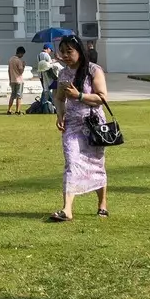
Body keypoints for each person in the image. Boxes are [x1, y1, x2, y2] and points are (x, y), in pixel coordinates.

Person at [49, 33, 110, 222]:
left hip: (93, 124)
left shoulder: (93, 70)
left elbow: (102, 97)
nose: (66, 55)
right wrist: (60, 114)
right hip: (72, 125)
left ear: (79, 52)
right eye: (63, 52)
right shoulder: (64, 73)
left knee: (96, 164)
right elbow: (59, 98)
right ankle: (67, 209)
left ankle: (102, 204)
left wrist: (79, 95)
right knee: (71, 161)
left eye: (70, 51)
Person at [8, 47, 28, 115]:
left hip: (13, 80)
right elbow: (21, 72)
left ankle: (9, 110)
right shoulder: (19, 61)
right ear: (20, 53)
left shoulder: (11, 59)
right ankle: (18, 110)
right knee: (19, 96)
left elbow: (9, 71)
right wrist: (23, 66)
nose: (22, 56)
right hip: (19, 80)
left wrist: (10, 79)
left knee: (12, 96)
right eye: (22, 54)